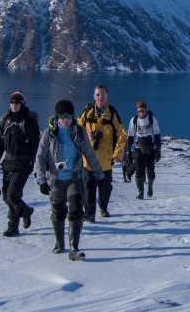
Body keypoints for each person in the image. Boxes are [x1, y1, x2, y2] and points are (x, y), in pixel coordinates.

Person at [35, 99, 104, 261]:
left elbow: (89, 154)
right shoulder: (49, 134)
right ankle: (59, 243)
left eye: (69, 116)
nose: (66, 119)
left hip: (74, 177)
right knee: (58, 211)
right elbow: (40, 158)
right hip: (56, 179)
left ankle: (74, 248)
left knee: (75, 209)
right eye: (62, 116)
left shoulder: (79, 132)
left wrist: (99, 174)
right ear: (57, 116)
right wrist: (42, 181)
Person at [0, 91, 41, 238]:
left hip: (23, 163)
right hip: (8, 163)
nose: (13, 105)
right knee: (6, 196)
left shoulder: (29, 122)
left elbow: (37, 146)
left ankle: (12, 227)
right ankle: (26, 211)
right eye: (11, 102)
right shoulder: (6, 121)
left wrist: (39, 166)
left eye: (16, 103)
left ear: (22, 104)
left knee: (13, 194)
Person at [77, 84, 127, 220]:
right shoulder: (87, 111)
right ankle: (89, 214)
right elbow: (77, 127)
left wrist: (118, 154)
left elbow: (122, 135)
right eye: (98, 95)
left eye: (103, 95)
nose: (100, 98)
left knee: (105, 188)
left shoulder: (112, 113)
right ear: (94, 96)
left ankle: (103, 208)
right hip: (89, 160)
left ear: (107, 97)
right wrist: (87, 134)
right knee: (89, 188)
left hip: (106, 159)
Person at [124, 100, 161, 199]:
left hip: (151, 147)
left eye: (143, 111)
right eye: (139, 111)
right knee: (139, 168)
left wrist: (158, 149)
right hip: (139, 147)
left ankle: (150, 187)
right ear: (137, 111)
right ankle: (140, 192)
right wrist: (128, 150)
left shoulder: (152, 119)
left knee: (150, 170)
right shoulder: (134, 120)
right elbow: (130, 136)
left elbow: (157, 135)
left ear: (146, 110)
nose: (141, 113)